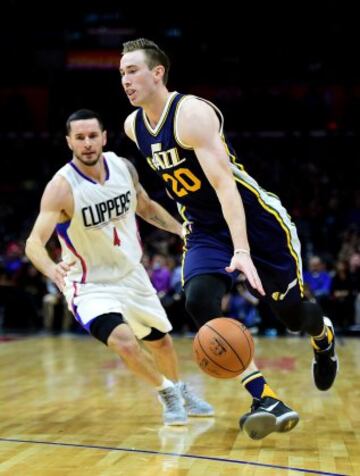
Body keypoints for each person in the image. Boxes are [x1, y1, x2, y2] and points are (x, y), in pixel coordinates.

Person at [119, 38, 339, 440]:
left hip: (256, 223)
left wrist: (242, 250)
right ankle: (265, 397)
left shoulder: (191, 114)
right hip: (205, 229)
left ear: (157, 73)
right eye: (121, 74)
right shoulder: (133, 127)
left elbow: (225, 187)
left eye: (132, 71)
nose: (126, 80)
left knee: (293, 316)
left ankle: (323, 337)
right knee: (198, 301)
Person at [25, 108, 213, 426]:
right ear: (70, 142)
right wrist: (50, 269)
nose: (87, 143)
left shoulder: (123, 167)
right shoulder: (61, 187)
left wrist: (181, 230)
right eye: (80, 138)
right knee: (124, 342)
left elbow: (146, 206)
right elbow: (34, 242)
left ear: (104, 137)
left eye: (93, 136)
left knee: (161, 342)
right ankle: (166, 392)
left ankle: (180, 390)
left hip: (131, 274)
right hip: (89, 284)